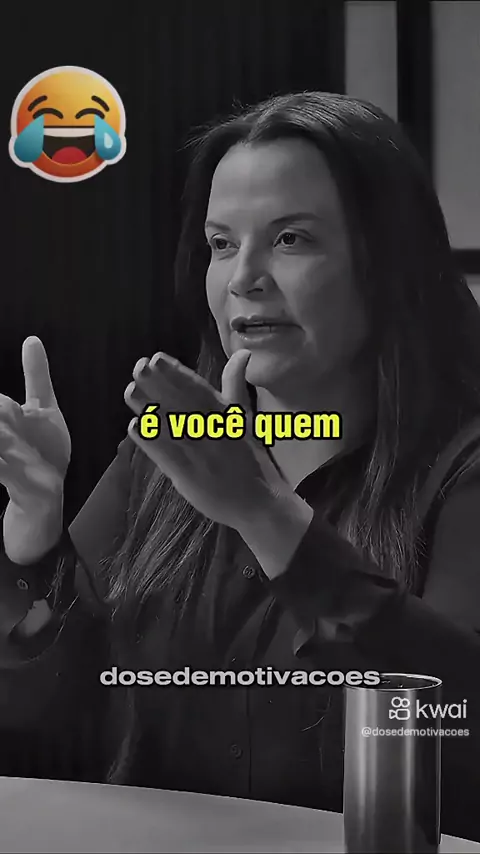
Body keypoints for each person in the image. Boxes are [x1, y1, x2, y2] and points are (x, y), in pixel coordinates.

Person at [0, 91, 480, 842]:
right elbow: (52, 716)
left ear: (387, 264)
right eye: (222, 244)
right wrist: (32, 543)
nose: (243, 278)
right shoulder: (165, 452)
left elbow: (459, 722)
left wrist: (267, 515)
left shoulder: (462, 467)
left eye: (291, 239)